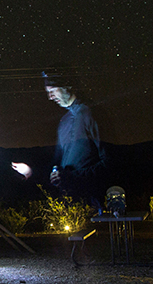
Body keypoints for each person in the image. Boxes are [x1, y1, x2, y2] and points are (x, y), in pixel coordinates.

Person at [11, 71, 106, 210]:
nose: (50, 97)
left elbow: (110, 161)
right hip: (72, 206)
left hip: (94, 204)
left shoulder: (90, 113)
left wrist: (72, 177)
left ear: (68, 85)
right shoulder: (64, 122)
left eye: (52, 90)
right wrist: (31, 172)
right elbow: (57, 164)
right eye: (47, 92)